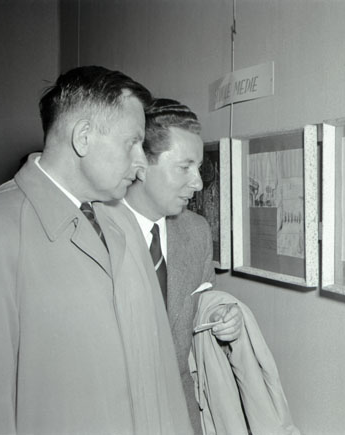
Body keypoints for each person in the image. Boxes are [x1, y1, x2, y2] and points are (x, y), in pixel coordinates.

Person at [0, 66, 192, 434]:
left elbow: (158, 371)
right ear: (84, 137)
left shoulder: (121, 221)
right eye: (132, 142)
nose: (141, 164)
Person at [116, 98, 242, 432]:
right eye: (185, 167)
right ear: (141, 164)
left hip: (180, 415)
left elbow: (200, 309)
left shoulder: (196, 231)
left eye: (198, 168)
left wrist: (223, 318)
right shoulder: (96, 231)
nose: (198, 183)